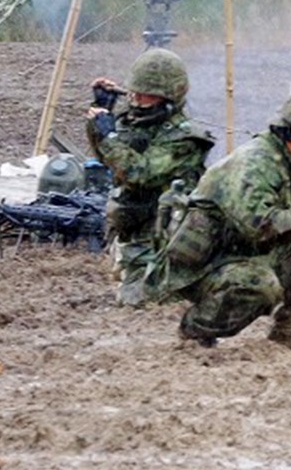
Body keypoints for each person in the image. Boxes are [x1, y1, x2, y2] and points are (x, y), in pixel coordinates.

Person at [152, 82, 291, 351]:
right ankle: (196, 330)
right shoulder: (256, 163)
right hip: (205, 265)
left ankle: (290, 334)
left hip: (245, 252)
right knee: (259, 284)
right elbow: (262, 225)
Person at [92, 48, 215, 307]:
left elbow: (140, 173)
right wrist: (101, 113)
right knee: (129, 294)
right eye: (134, 93)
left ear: (168, 96)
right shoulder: (141, 125)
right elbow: (111, 160)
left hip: (162, 240)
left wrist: (109, 137)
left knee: (138, 302)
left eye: (145, 95)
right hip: (133, 231)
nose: (136, 101)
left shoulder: (184, 139)